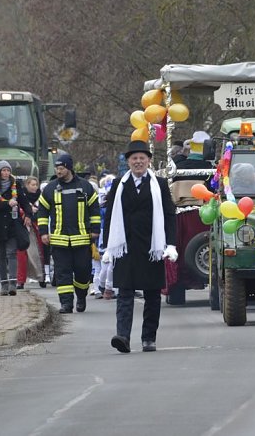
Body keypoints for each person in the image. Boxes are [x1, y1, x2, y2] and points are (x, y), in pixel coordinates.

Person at [104, 140, 177, 353]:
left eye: (142, 158)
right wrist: (108, 246)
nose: (138, 162)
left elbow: (169, 215)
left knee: (152, 295)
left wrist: (170, 244)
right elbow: (110, 216)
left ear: (148, 161)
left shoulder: (160, 184)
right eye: (134, 158)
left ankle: (148, 337)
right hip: (125, 247)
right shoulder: (119, 185)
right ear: (128, 161)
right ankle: (123, 337)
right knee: (124, 293)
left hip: (152, 247)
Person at [36, 154, 100, 312]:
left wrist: (95, 230)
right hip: (59, 241)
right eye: (57, 168)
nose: (58, 171)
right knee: (62, 273)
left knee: (83, 272)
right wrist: (43, 232)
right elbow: (42, 212)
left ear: (69, 168)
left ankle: (81, 296)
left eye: (61, 168)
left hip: (82, 239)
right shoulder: (50, 188)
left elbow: (94, 209)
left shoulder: (85, 187)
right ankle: (66, 304)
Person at [166, 130, 213, 303]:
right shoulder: (210, 169)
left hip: (180, 214)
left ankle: (177, 285)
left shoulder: (177, 166)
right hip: (204, 215)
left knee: (180, 248)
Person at [0, 160, 33, 296]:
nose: (6, 173)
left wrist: (28, 214)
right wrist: (7, 204)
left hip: (13, 224)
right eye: (3, 171)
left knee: (12, 253)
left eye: (8, 170)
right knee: (0, 255)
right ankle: (3, 284)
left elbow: (24, 202)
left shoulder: (16, 185)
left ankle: (13, 283)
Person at [17, 175, 45, 289]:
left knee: (37, 254)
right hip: (23, 227)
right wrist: (25, 213)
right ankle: (20, 280)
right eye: (32, 185)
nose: (34, 187)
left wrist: (35, 213)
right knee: (21, 255)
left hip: (35, 227)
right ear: (27, 185)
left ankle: (41, 278)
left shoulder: (41, 197)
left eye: (36, 185)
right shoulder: (21, 196)